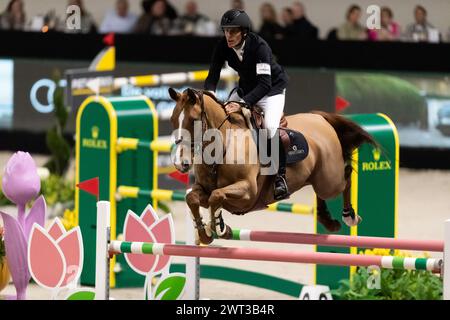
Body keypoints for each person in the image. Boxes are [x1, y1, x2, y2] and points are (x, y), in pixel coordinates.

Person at [204, 9, 290, 200]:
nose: (228, 35)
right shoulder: (223, 45)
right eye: (226, 31)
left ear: (244, 32)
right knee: (225, 118)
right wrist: (209, 98)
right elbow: (212, 76)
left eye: (233, 31)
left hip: (271, 90)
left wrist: (242, 104)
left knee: (269, 127)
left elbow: (265, 84)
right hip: (247, 88)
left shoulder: (260, 47)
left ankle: (280, 178)